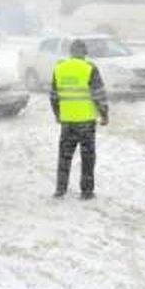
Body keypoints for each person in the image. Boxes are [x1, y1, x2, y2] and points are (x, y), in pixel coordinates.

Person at [50, 38, 109, 200]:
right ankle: (86, 192)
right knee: (87, 157)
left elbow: (54, 96)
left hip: (67, 122)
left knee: (64, 156)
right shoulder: (89, 68)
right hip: (86, 122)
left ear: (70, 52)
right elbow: (99, 95)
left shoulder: (59, 68)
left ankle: (60, 189)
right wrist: (104, 114)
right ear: (84, 53)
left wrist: (58, 115)